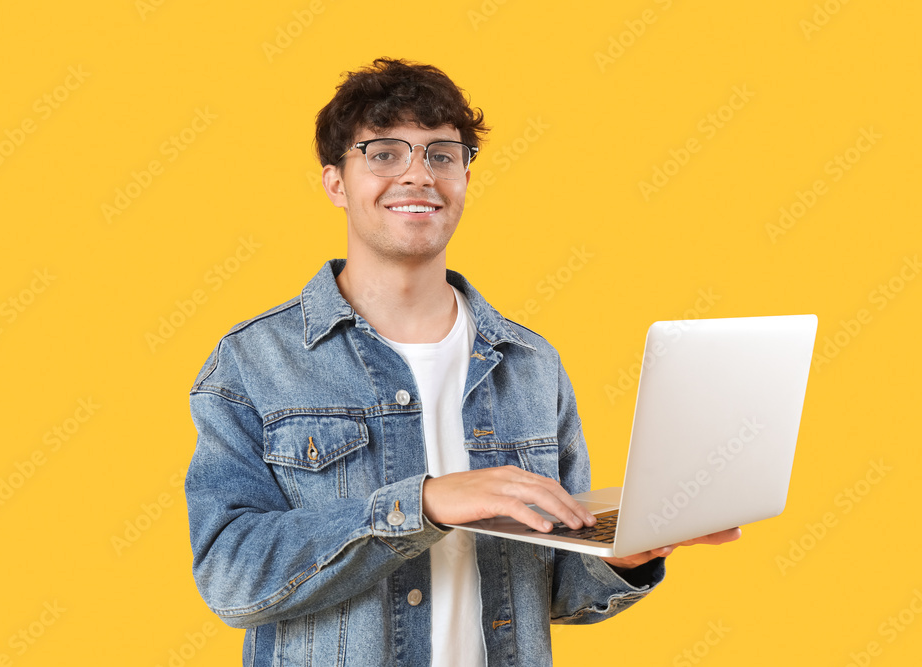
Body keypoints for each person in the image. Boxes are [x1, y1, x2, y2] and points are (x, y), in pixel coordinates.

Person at [185, 57, 739, 666]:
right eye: (384, 153)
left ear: (466, 180)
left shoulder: (531, 364)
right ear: (336, 183)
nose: (418, 175)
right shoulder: (255, 360)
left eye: (442, 155)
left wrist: (627, 557)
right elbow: (230, 577)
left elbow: (556, 588)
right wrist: (421, 503)